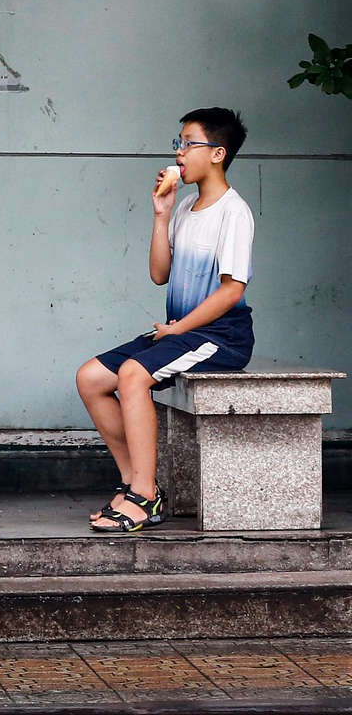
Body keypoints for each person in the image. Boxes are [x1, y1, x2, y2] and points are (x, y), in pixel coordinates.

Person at [78, 108, 254, 535]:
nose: (178, 152)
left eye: (187, 143)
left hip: (220, 336)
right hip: (181, 330)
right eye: (177, 142)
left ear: (217, 153)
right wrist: (161, 214)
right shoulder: (186, 208)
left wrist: (178, 329)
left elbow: (233, 290)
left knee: (134, 375)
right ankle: (132, 480)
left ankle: (144, 496)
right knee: (91, 378)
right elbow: (160, 274)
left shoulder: (234, 212)